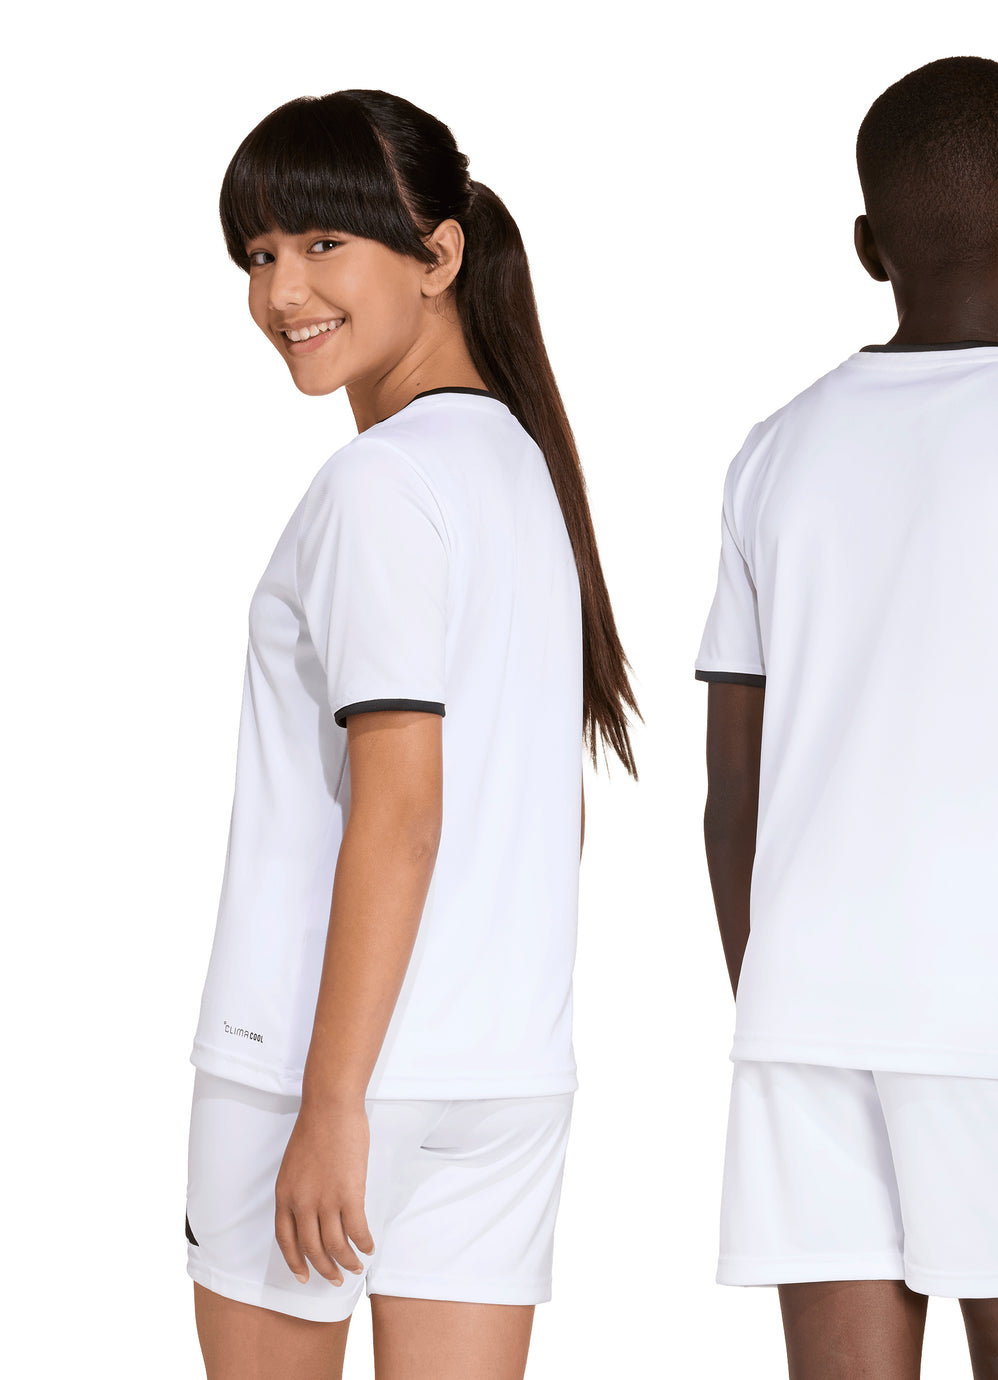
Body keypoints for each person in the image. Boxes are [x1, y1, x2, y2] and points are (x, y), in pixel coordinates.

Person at [695, 56, 998, 1379]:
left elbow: (732, 803)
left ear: (870, 246)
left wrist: (789, 1000)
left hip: (803, 1022)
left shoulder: (773, 451)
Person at [185, 88, 638, 1378]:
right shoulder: (523, 472)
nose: (282, 292)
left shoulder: (380, 483)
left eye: (323, 244)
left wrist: (335, 1101)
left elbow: (403, 807)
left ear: (439, 256)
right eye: (260, 253)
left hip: (321, 1069)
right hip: (501, 1072)